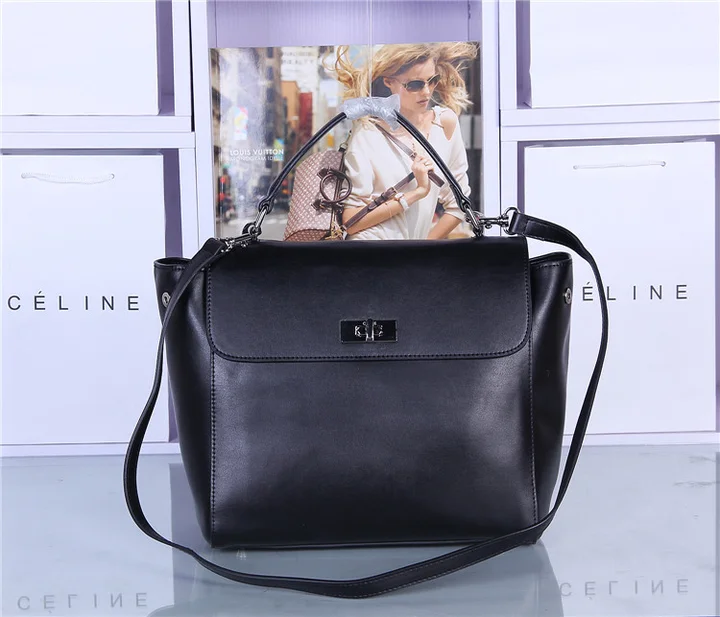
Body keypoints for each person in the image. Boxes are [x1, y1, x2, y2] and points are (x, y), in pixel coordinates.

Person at [332, 43, 478, 240]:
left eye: (432, 81)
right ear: (389, 82)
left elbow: (458, 206)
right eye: (415, 85)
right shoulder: (368, 133)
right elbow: (351, 221)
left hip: (410, 256)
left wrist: (421, 250)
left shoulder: (444, 124)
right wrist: (417, 192)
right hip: (370, 251)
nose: (426, 92)